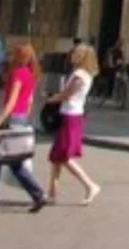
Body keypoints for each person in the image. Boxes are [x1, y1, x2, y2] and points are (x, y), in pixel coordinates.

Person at [0, 43, 48, 214]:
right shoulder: (31, 75)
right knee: (15, 164)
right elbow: (29, 102)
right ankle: (38, 195)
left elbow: (10, 103)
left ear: (17, 56)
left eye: (12, 54)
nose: (9, 57)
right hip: (21, 119)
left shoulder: (16, 74)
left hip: (10, 119)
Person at [44, 44, 102, 206]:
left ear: (83, 57)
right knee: (57, 157)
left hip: (70, 116)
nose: (72, 55)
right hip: (73, 115)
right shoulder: (87, 75)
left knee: (62, 157)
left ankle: (90, 185)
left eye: (76, 53)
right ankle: (51, 193)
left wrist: (50, 99)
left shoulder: (79, 74)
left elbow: (66, 94)